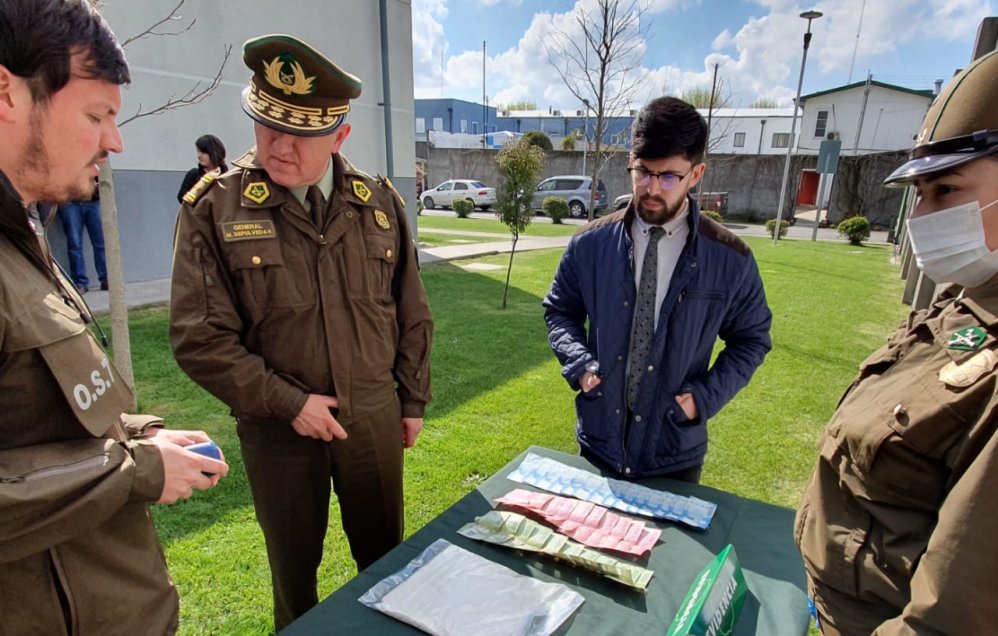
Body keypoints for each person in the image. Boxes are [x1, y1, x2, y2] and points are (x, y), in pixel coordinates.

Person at [169, 34, 434, 630]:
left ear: (340, 136)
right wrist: (290, 403)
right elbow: (199, 337)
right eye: (266, 126)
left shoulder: (379, 204)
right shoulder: (215, 208)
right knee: (294, 581)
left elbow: (411, 311)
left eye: (300, 133)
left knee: (387, 568)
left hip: (370, 417)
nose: (277, 145)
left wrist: (411, 400)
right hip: (279, 432)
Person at [0, 1, 229, 633]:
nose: (115, 141)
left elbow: (36, 417)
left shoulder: (23, 228)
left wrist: (136, 434)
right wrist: (136, 469)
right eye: (96, 114)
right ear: (7, 92)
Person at [795, 50, 998, 635]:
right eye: (919, 194)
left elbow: (950, 618)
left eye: (946, 189)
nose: (924, 214)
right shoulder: (965, 308)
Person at [542, 96, 771, 481]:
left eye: (668, 177)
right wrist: (581, 365)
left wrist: (703, 399)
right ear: (630, 162)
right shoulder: (590, 244)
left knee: (667, 545)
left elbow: (752, 339)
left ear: (696, 174)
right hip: (599, 440)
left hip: (673, 451)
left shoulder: (730, 258)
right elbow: (560, 311)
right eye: (642, 172)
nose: (651, 188)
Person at [58, 181, 107, 292]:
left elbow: (104, 172)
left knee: (101, 242)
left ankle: (106, 279)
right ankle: (80, 282)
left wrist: (97, 188)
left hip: (93, 201)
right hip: (69, 202)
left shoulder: (93, 162)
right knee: (74, 244)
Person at [176, 133, 227, 203]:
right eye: (198, 151)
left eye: (203, 152)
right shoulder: (193, 174)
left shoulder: (227, 176)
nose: (199, 155)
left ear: (213, 153)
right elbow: (182, 198)